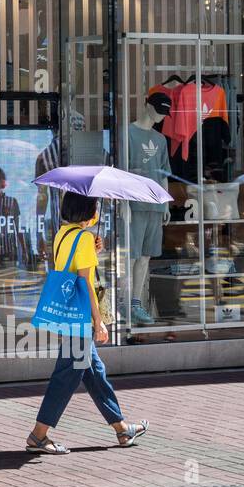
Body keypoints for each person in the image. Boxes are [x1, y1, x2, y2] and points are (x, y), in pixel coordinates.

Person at [26, 192, 149, 454]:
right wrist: (98, 321)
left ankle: (121, 428)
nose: (97, 211)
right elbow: (86, 283)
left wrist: (92, 249)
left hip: (69, 316)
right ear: (89, 211)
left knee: (94, 373)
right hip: (79, 318)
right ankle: (38, 435)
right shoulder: (83, 238)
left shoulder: (64, 233)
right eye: (95, 207)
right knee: (66, 376)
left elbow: (69, 264)